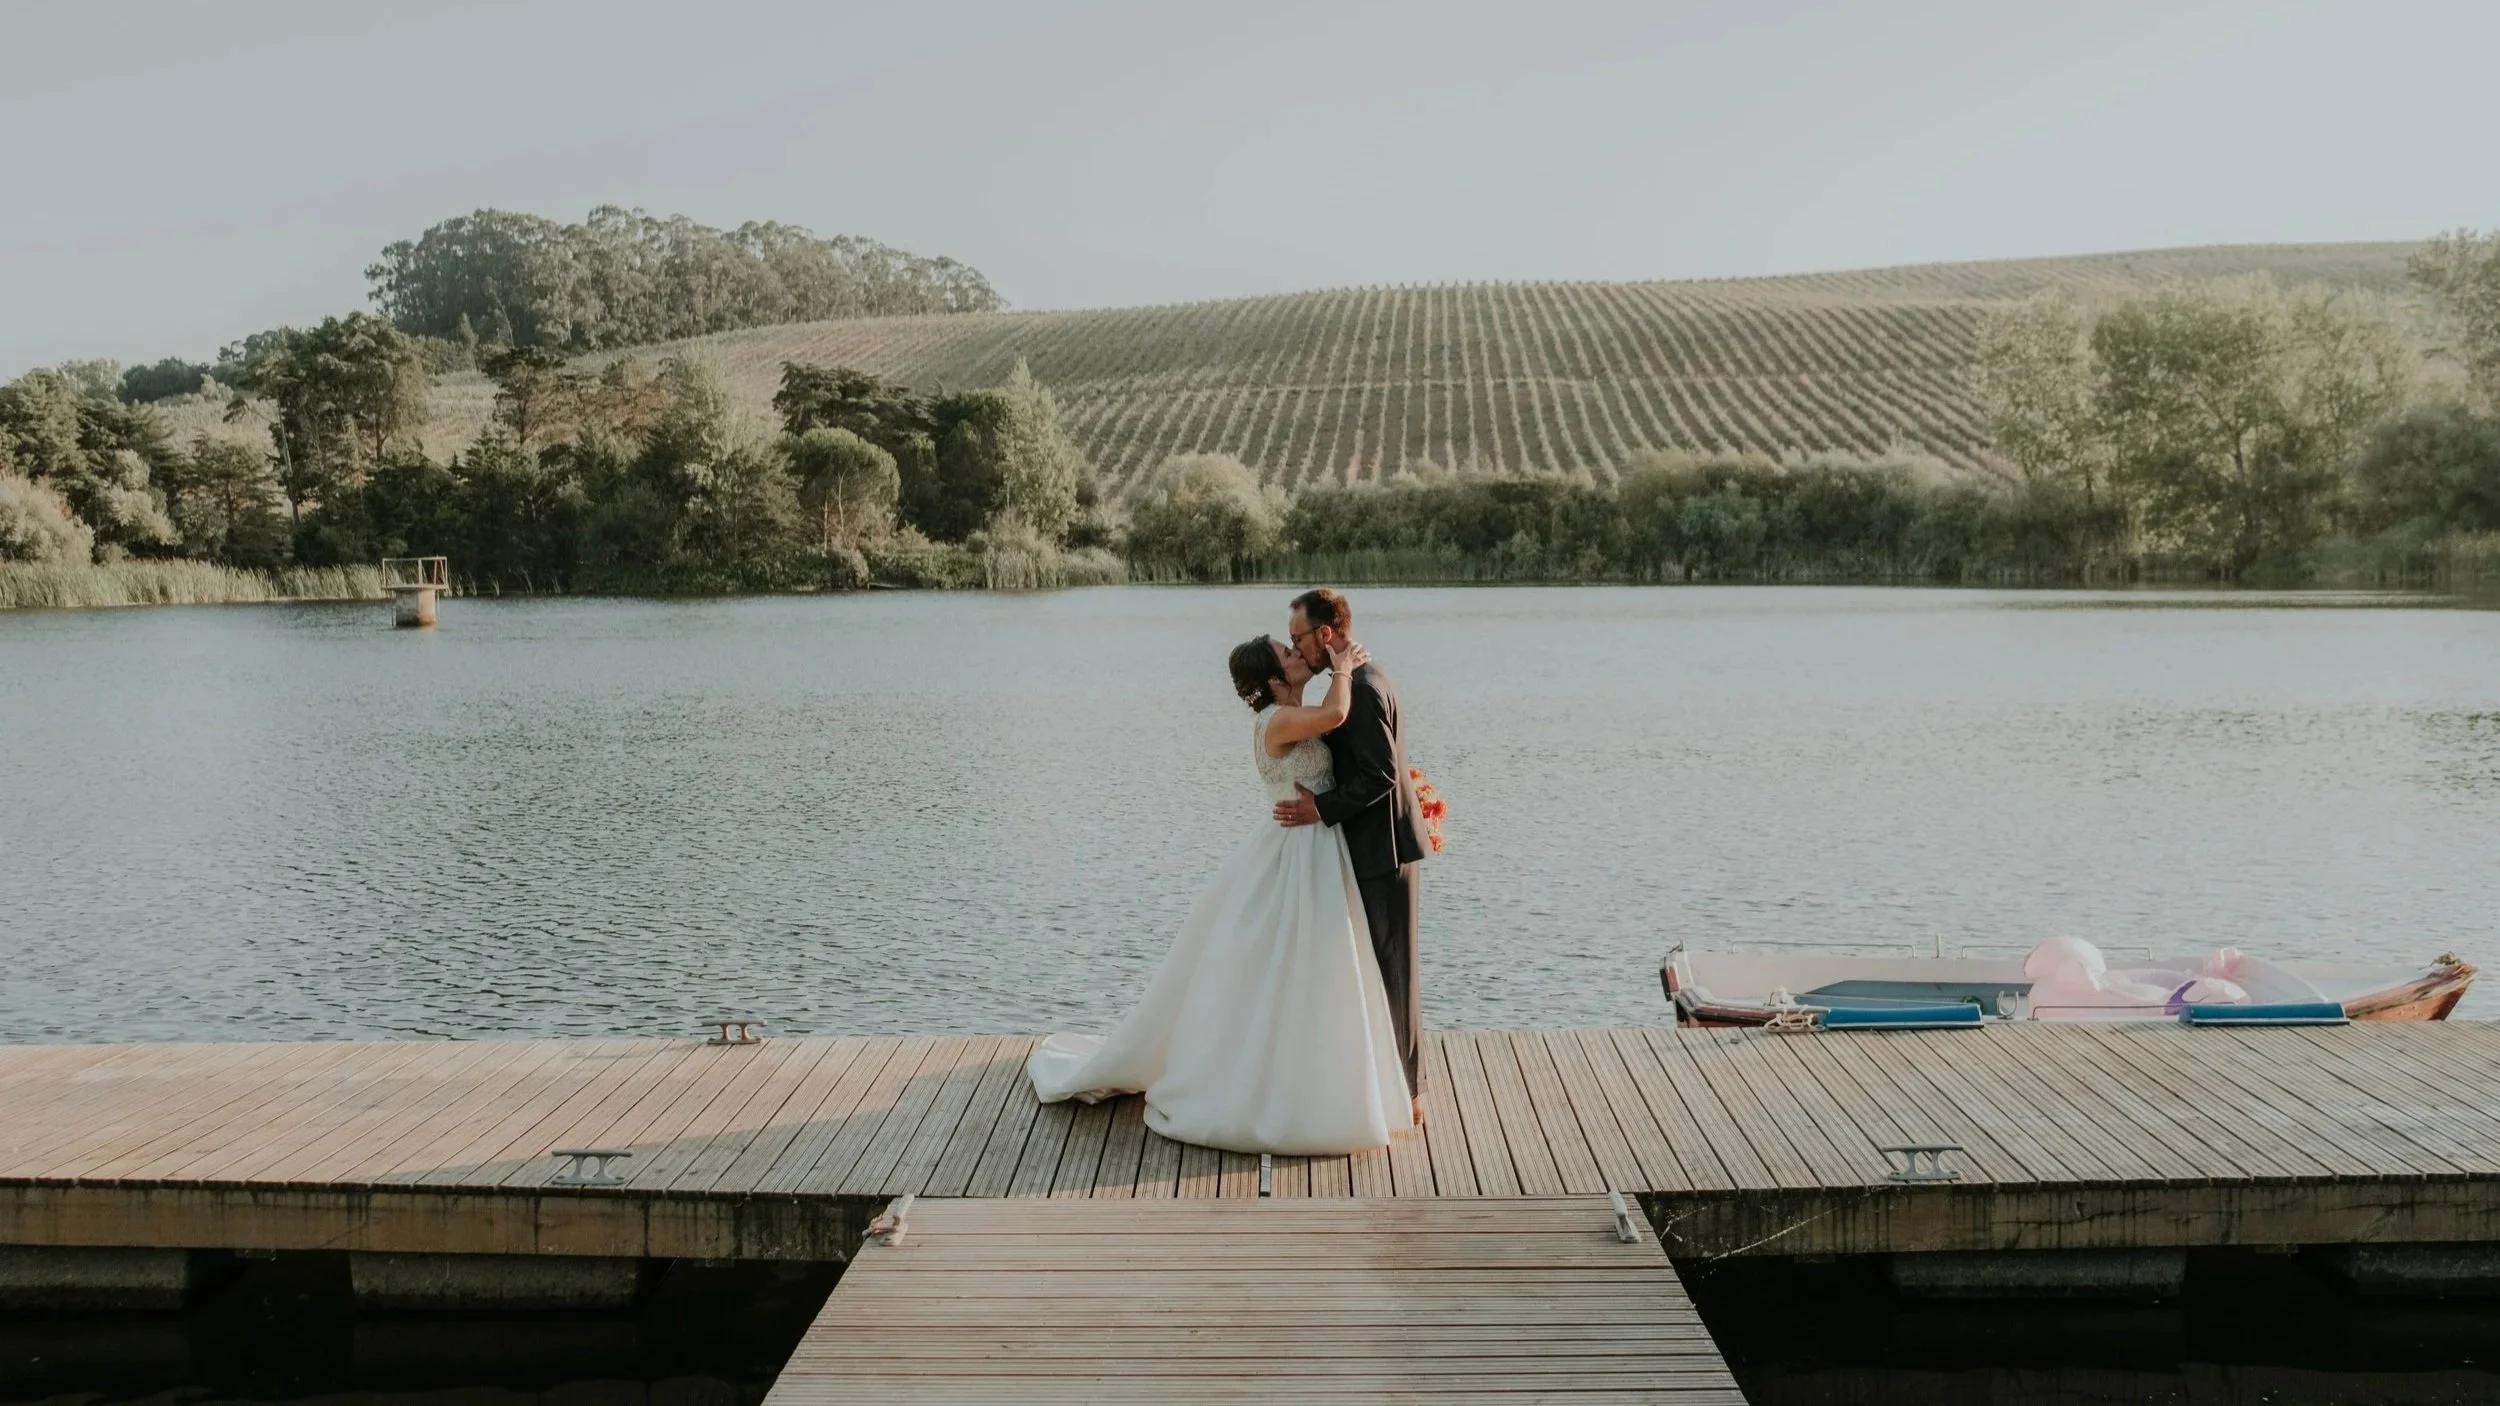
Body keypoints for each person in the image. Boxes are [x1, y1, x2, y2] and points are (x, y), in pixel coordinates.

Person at [1025, 629, 1412, 1154]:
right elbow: (1337, 715)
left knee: (1316, 969)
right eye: (1289, 653)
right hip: (1296, 854)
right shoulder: (1277, 721)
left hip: (1317, 851)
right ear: (1276, 680)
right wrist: (1344, 666)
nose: (1299, 654)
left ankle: (1312, 1073)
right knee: (1286, 964)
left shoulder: (1289, 712)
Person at [1271, 588, 1427, 1121]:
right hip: (1372, 846)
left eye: (1299, 638)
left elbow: (1381, 773)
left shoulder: (1361, 687)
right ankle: (1384, 1086)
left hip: (1380, 853)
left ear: (1326, 635)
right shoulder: (1362, 676)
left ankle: (1407, 1097)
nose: (1298, 648)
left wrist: (1322, 809)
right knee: (1374, 972)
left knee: (1393, 975)